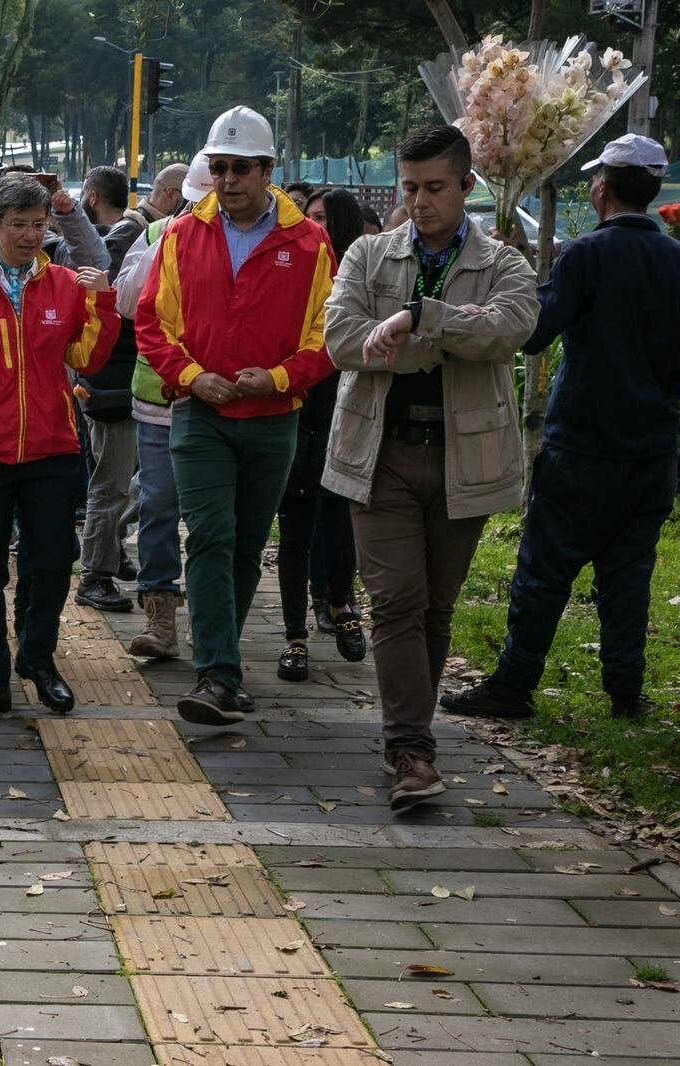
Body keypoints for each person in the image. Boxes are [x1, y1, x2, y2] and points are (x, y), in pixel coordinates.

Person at [442, 135, 680, 725]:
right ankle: (625, 694)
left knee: (543, 572)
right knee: (629, 574)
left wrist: (507, 280)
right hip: (652, 449)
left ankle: (514, 686)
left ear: (602, 188)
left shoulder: (587, 254)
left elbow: (535, 333)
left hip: (584, 444)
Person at [322, 125, 538, 812]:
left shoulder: (502, 261)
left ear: (466, 186)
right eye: (409, 188)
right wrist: (434, 336)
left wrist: (418, 319)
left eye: (435, 188)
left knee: (434, 607)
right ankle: (411, 751)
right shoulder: (366, 253)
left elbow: (510, 328)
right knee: (395, 602)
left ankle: (412, 735)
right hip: (377, 454)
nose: (419, 202)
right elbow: (341, 340)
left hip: (462, 457)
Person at [135, 106, 337, 726]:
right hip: (198, 415)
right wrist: (196, 378)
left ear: (268, 169)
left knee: (247, 545)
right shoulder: (180, 233)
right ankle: (217, 674)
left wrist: (275, 379)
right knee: (213, 538)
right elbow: (150, 322)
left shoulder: (308, 241)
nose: (228, 180)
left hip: (275, 418)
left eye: (240, 168)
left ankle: (219, 669)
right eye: (219, 168)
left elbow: (328, 335)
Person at [0, 173, 118, 722]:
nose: (31, 236)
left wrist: (102, 305)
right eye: (19, 226)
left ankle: (39, 658)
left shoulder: (64, 284)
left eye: (39, 225)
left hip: (51, 446)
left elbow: (89, 358)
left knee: (53, 562)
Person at [116, 151, 214, 660]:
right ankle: (159, 614)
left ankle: (212, 617)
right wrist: (169, 246)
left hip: (219, 401)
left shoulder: (239, 242)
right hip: (159, 400)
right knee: (157, 508)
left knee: (211, 516)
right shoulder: (156, 236)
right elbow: (126, 302)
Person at [275, 188, 368, 682]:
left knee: (338, 519)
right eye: (310, 218)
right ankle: (293, 635)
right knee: (294, 527)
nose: (317, 228)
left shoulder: (362, 275)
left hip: (343, 411)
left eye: (326, 220)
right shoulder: (291, 269)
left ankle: (341, 605)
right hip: (294, 406)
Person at [72, 165, 145, 612]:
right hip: (111, 382)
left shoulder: (127, 235)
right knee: (112, 483)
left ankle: (109, 556)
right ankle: (95, 573)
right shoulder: (126, 239)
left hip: (115, 380)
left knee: (117, 479)